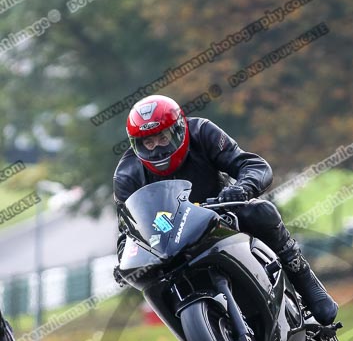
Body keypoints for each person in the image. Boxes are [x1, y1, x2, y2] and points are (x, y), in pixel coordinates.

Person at [113, 95, 338, 324]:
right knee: (149, 279)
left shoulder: (202, 132)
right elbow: (128, 229)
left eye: (163, 138)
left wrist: (242, 188)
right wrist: (124, 261)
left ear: (179, 130)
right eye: (148, 143)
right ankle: (197, 336)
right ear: (137, 145)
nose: (157, 149)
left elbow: (252, 165)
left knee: (261, 212)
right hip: (171, 244)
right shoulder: (126, 175)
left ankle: (305, 280)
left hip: (221, 216)